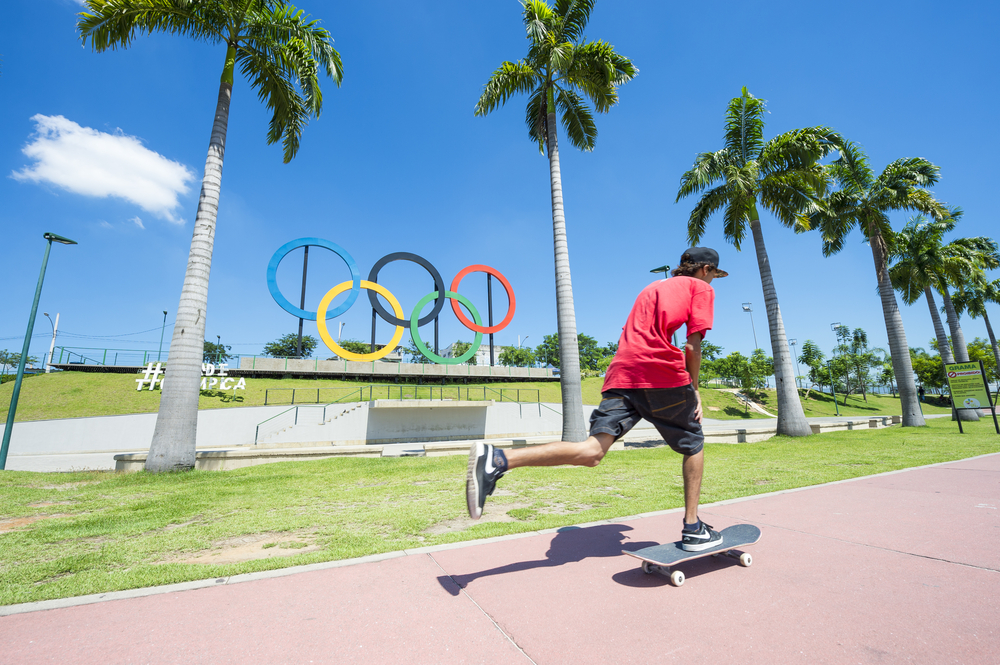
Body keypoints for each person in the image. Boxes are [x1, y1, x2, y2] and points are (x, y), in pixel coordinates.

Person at [466, 247, 728, 551]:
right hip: (659, 371)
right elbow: (692, 345)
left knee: (591, 452)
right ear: (706, 270)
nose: (712, 283)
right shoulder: (700, 288)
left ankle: (498, 460)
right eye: (714, 277)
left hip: (623, 371)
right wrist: (694, 388)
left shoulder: (652, 287)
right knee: (693, 442)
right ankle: (693, 527)